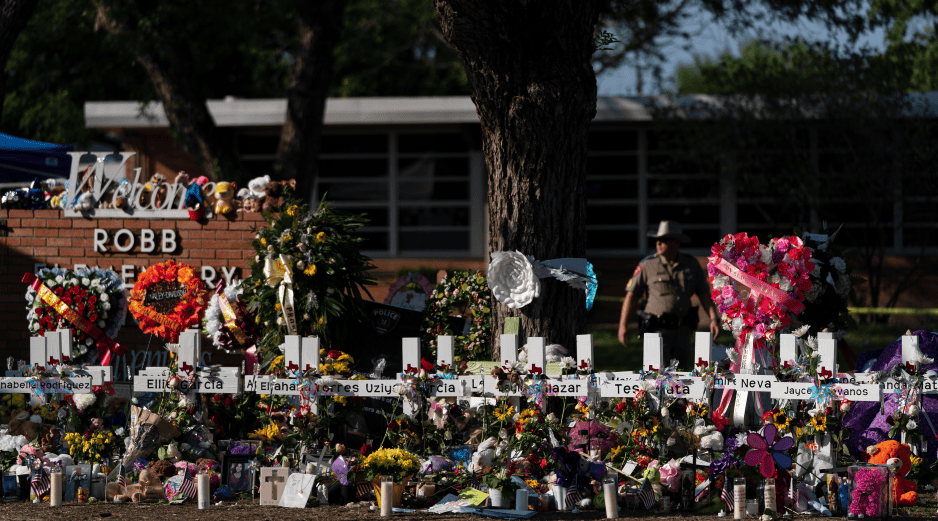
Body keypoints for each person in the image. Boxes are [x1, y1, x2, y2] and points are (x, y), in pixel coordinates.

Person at [617, 221, 720, 370]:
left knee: (682, 375)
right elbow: (631, 296)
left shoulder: (691, 264)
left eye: (664, 239)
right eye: (657, 239)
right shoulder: (647, 265)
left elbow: (704, 294)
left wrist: (714, 318)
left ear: (676, 242)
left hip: (683, 330)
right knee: (657, 375)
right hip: (656, 330)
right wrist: (623, 325)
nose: (658, 243)